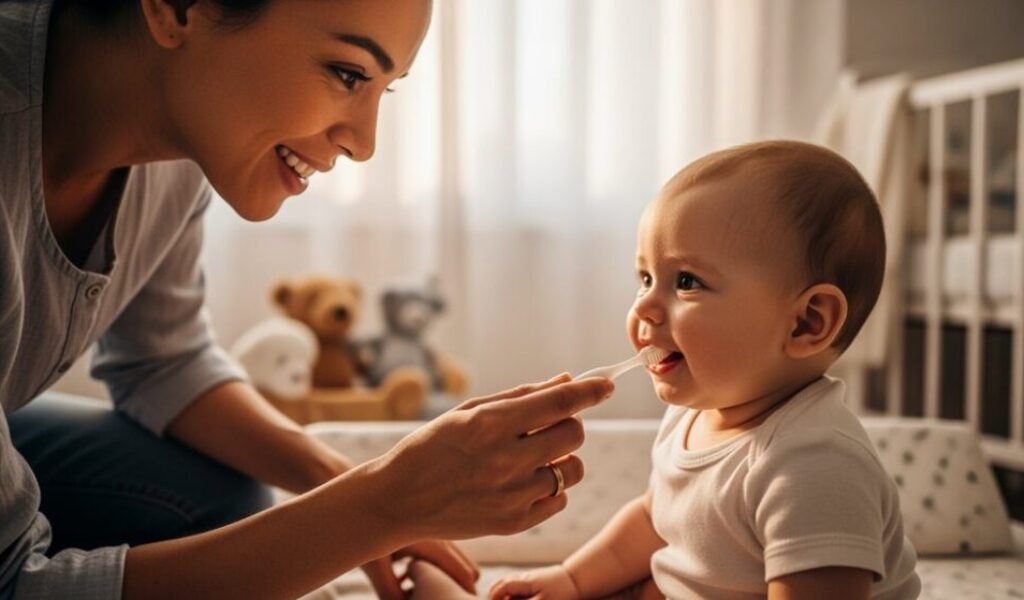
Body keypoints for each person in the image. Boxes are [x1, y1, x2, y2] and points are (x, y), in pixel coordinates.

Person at [0, 0, 615, 598]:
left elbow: (163, 361)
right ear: (176, 7)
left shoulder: (185, 139)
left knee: (228, 503)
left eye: (385, 88)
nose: (364, 143)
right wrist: (378, 508)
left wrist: (340, 483)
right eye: (348, 73)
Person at [414, 140, 922, 599]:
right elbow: (655, 522)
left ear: (807, 323)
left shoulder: (813, 466)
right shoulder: (697, 414)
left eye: (686, 281)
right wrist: (571, 579)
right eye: (645, 277)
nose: (644, 309)